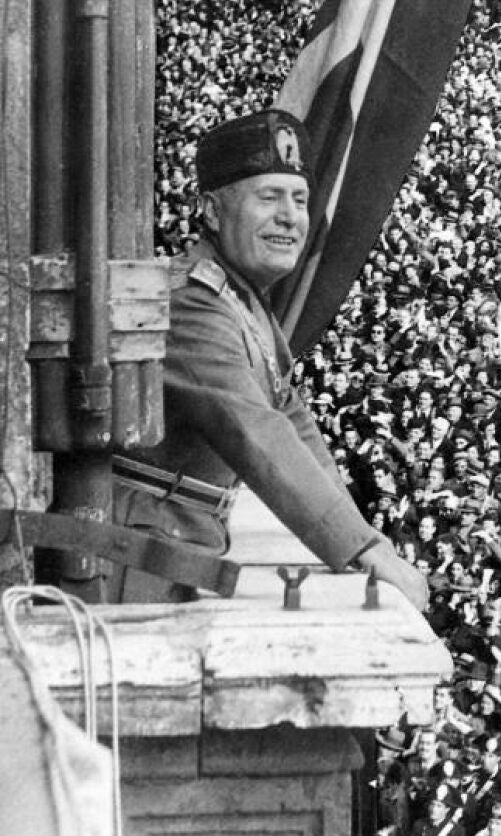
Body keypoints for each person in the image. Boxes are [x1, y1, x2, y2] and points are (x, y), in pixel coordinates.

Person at [110, 109, 427, 609]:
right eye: (269, 197)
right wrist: (361, 549)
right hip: (133, 556)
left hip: (172, 541)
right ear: (212, 212)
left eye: (299, 199)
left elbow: (292, 420)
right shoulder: (191, 303)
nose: (289, 216)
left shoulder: (242, 300)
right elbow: (255, 430)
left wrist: (366, 540)